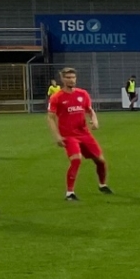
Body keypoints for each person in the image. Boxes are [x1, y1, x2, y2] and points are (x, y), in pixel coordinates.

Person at [48, 66, 111, 200]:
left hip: (84, 134)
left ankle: (102, 184)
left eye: (73, 77)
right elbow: (51, 117)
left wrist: (94, 121)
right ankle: (70, 193)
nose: (71, 80)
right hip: (69, 135)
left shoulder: (83, 94)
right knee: (76, 159)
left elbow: (89, 110)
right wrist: (57, 136)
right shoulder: (57, 97)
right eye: (68, 78)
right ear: (62, 79)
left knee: (100, 161)